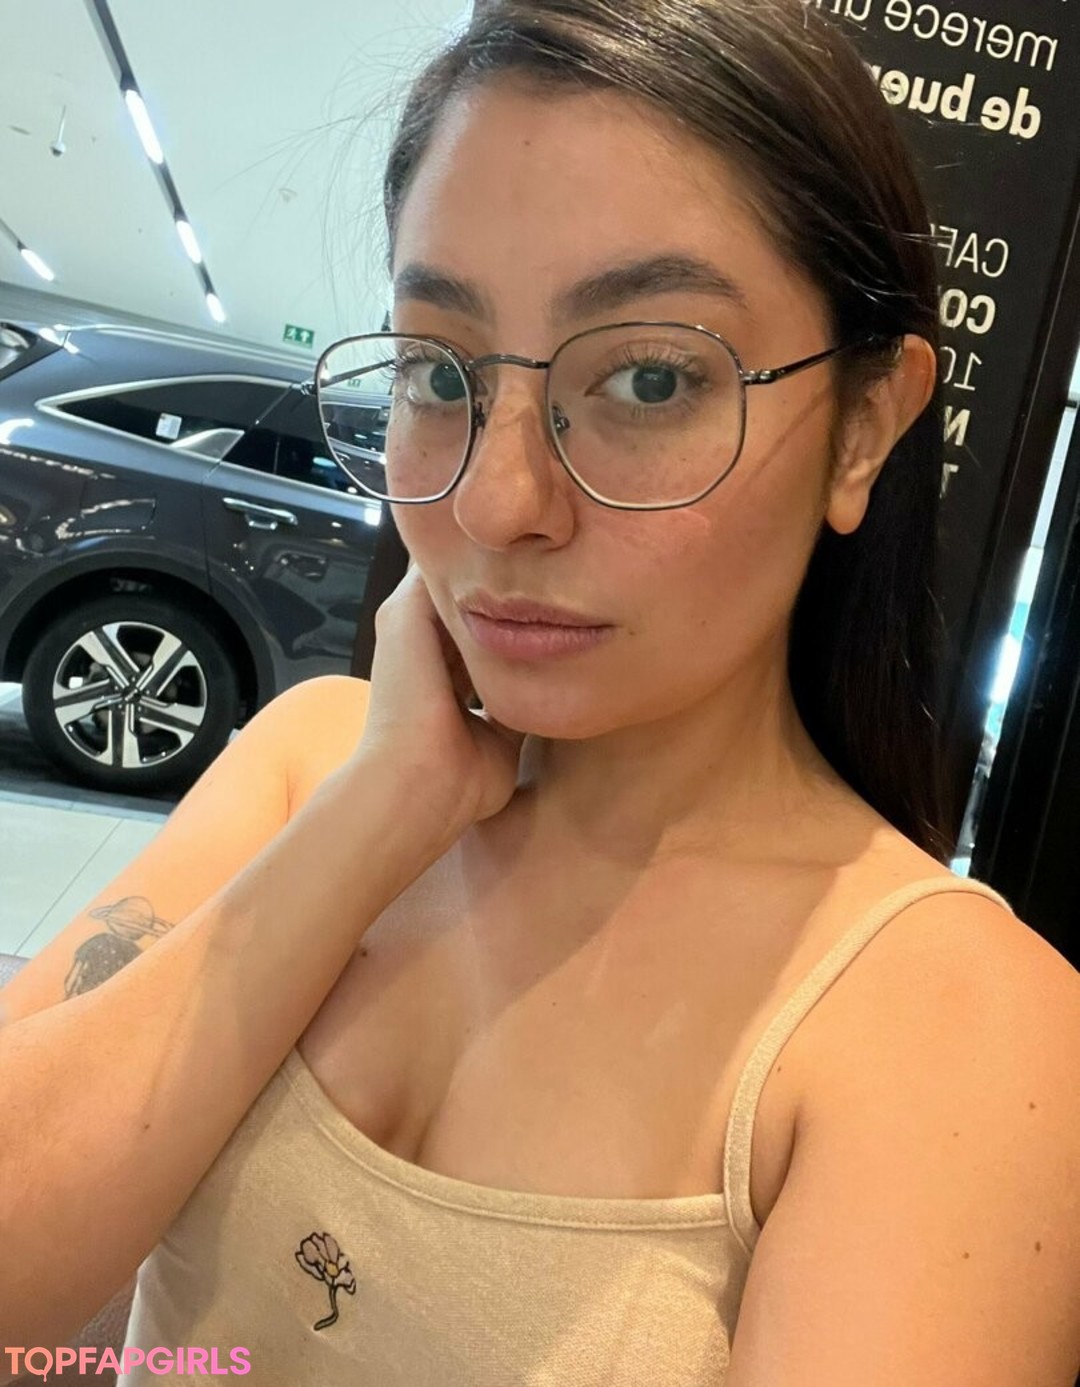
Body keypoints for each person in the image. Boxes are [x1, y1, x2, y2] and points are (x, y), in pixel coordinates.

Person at [2, 2, 1079, 1383]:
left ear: (864, 424)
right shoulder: (311, 765)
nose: (499, 501)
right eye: (437, 372)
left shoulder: (950, 1029)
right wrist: (382, 810)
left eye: (650, 378)